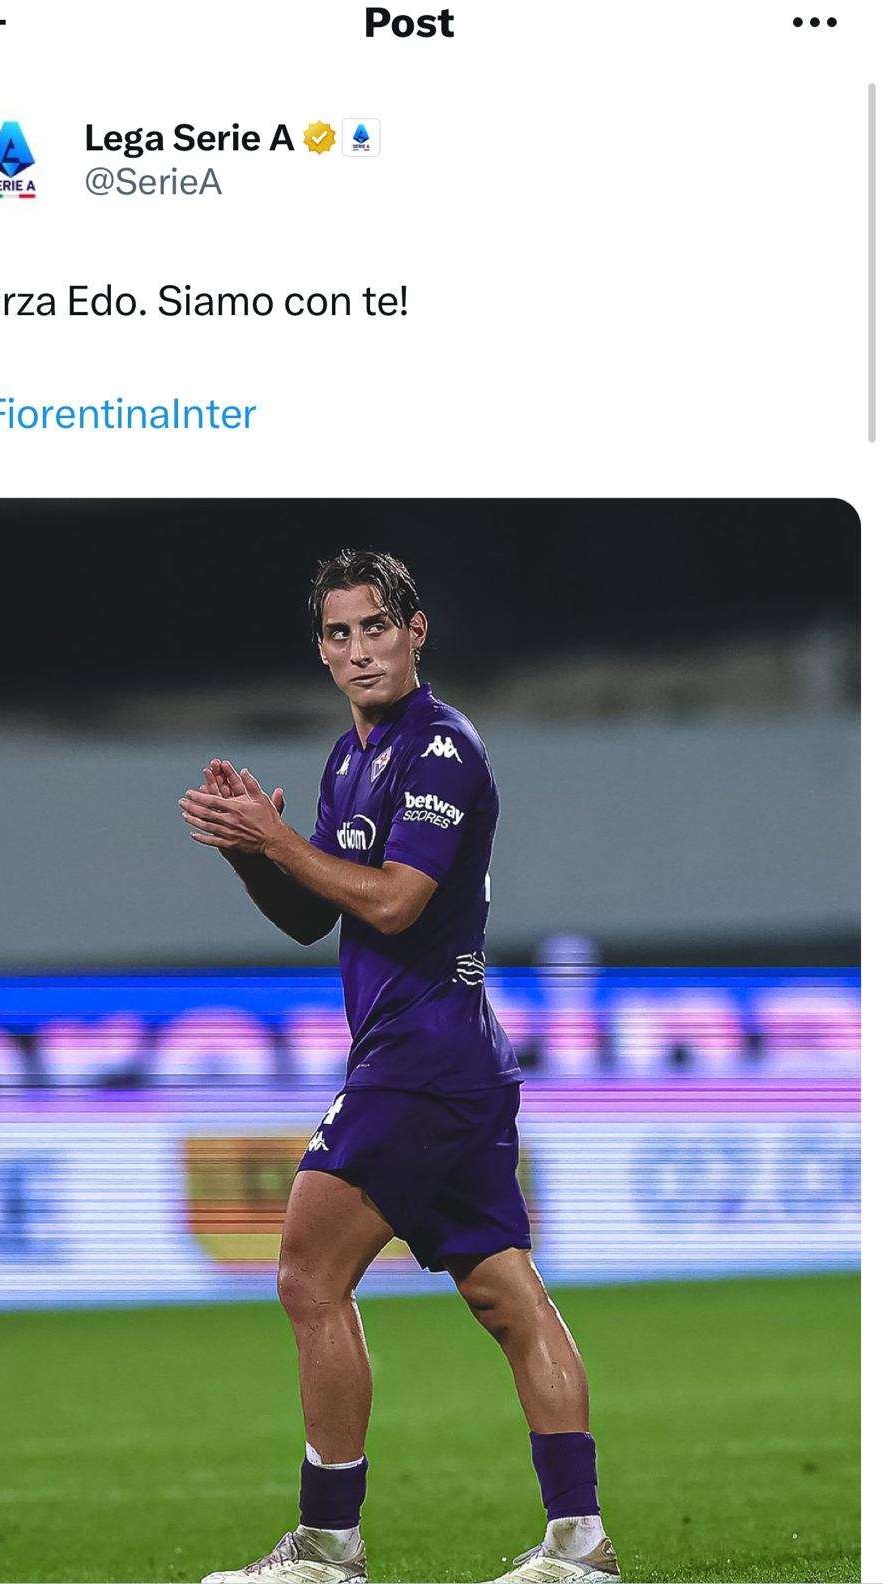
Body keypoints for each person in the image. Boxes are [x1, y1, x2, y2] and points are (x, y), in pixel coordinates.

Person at [179, 549, 620, 1584]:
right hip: (449, 1058)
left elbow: (393, 901)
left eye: (375, 626)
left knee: (308, 1274)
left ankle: (328, 1545)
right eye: (338, 633)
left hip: (419, 1057)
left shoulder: (441, 748)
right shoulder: (349, 757)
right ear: (322, 649)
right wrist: (253, 849)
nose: (358, 650)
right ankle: (581, 1542)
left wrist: (279, 839)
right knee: (507, 1296)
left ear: (416, 631)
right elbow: (312, 916)